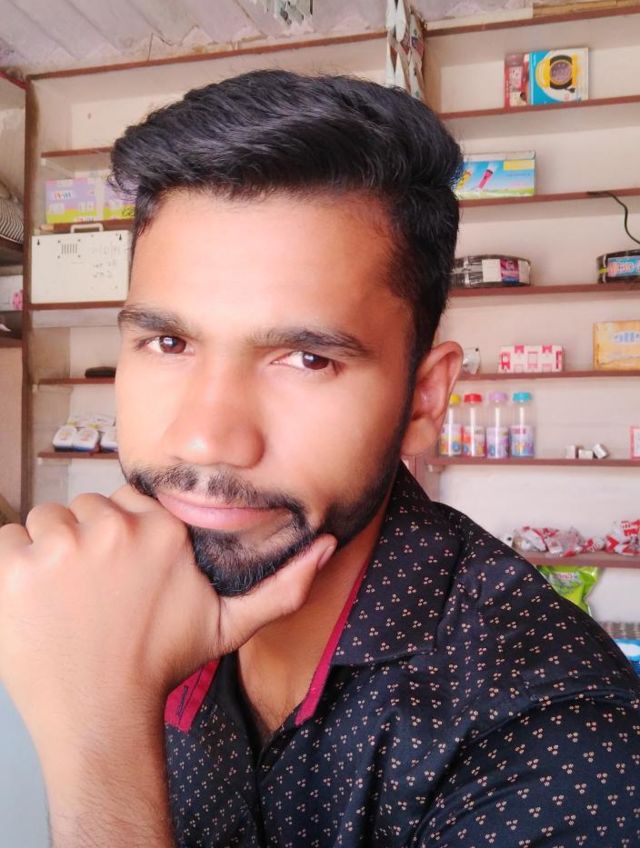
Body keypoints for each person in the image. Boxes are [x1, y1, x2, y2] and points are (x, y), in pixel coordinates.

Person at [1, 70, 638, 848]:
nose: (205, 439)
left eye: (307, 359)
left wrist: (101, 738)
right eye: (168, 342)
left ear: (423, 400)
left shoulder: (562, 739)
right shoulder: (110, 597)